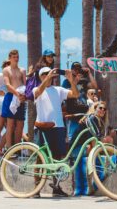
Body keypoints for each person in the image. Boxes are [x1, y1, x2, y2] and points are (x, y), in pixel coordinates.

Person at [33, 67, 79, 197]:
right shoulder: (36, 89)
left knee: (57, 158)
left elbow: (75, 94)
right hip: (42, 128)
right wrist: (48, 78)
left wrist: (72, 81)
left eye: (50, 73)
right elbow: (38, 93)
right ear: (40, 76)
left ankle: (56, 188)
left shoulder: (58, 90)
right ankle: (36, 188)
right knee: (39, 158)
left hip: (58, 127)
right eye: (45, 74)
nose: (49, 76)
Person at [62, 61, 97, 154]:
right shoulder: (66, 81)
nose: (77, 71)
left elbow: (94, 87)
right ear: (71, 70)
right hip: (73, 116)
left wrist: (89, 73)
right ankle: (70, 159)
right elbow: (65, 95)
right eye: (75, 69)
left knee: (85, 139)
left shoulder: (84, 81)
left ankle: (81, 159)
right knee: (72, 139)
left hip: (84, 115)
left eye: (79, 69)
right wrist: (74, 81)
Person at [1, 50, 26, 149]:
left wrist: (24, 95)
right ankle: (9, 148)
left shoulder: (22, 70)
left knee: (20, 124)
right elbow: (7, 84)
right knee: (10, 125)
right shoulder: (6, 70)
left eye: (17, 57)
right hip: (11, 96)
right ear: (10, 58)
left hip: (21, 97)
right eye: (14, 57)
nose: (16, 59)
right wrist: (17, 93)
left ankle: (17, 149)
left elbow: (25, 84)